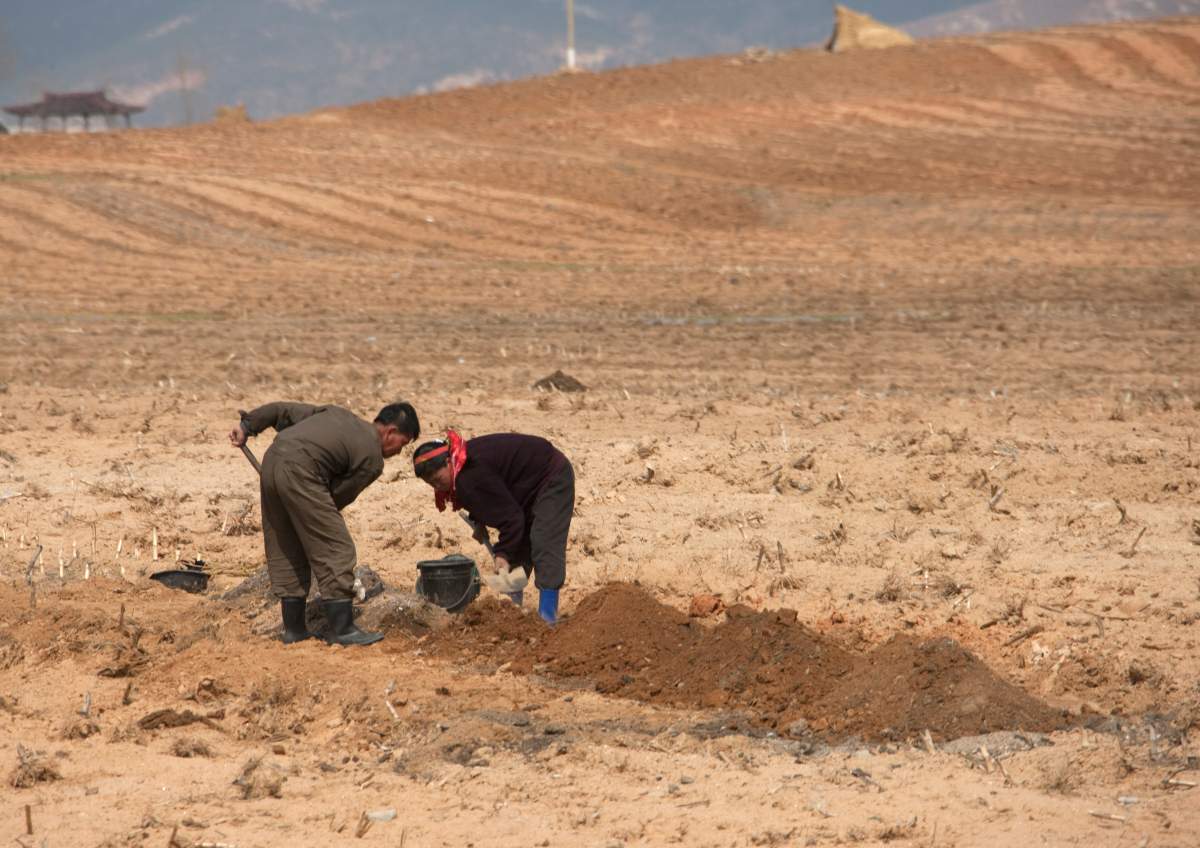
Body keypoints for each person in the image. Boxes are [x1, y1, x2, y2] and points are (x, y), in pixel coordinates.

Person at [229, 401, 419, 646]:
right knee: (336, 548)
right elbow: (336, 497)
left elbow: (281, 411)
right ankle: (343, 630)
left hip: (273, 460)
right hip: (302, 471)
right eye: (402, 444)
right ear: (390, 432)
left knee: (287, 546)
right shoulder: (372, 457)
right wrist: (312, 512)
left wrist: (247, 426)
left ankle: (294, 631)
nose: (398, 452)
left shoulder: (335, 413)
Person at [412, 431, 573, 624]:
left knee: (543, 541)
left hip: (550, 477)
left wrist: (502, 555)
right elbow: (489, 494)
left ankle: (548, 616)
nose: (437, 487)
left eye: (438, 479)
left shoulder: (468, 475)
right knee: (518, 547)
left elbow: (512, 520)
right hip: (523, 487)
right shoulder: (461, 466)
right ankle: (514, 612)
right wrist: (480, 522)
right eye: (431, 484)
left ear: (448, 462)